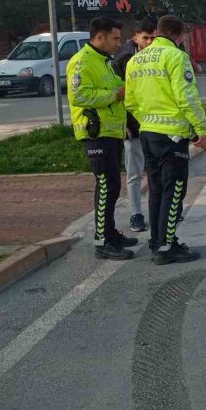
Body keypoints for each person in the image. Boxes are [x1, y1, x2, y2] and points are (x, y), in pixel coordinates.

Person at [125, 16, 206, 264]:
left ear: (158, 32)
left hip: (148, 133)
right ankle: (167, 246)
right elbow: (186, 97)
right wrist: (200, 128)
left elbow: (130, 102)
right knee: (174, 191)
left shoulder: (135, 60)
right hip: (172, 135)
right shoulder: (176, 57)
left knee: (157, 189)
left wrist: (147, 121)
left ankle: (157, 240)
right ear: (179, 35)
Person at [67, 17, 138, 260]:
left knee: (113, 186)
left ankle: (109, 233)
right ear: (100, 37)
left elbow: (121, 89)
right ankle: (102, 241)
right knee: (106, 186)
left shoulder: (105, 62)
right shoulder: (82, 61)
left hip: (112, 132)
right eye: (115, 38)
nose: (119, 43)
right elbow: (79, 95)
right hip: (95, 133)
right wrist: (114, 95)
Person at [112, 19, 156, 233]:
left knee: (157, 170)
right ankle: (136, 214)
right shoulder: (124, 59)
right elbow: (122, 94)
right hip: (133, 125)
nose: (149, 42)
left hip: (156, 123)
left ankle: (162, 210)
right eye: (145, 38)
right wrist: (126, 124)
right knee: (134, 173)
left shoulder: (161, 54)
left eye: (153, 38)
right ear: (136, 37)